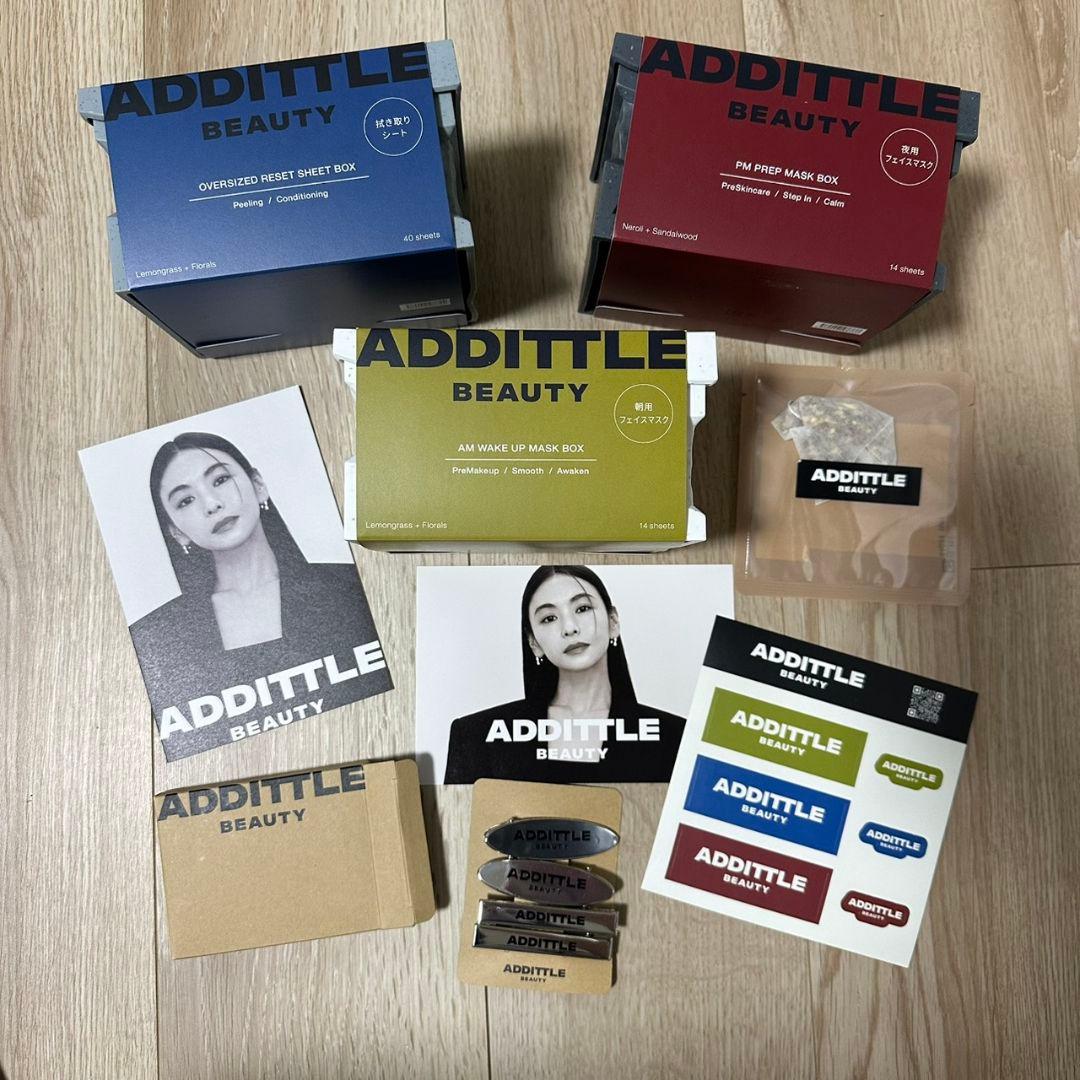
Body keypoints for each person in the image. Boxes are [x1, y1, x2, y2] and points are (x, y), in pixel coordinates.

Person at [130, 432, 384, 756]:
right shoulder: (157, 635)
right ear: (176, 532)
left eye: (220, 480)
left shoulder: (347, 586)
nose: (212, 504)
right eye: (185, 500)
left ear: (258, 485)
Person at [443, 565, 685, 783]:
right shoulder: (476, 736)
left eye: (583, 608)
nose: (569, 628)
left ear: (613, 622)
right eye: (549, 618)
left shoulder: (676, 736)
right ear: (533, 643)